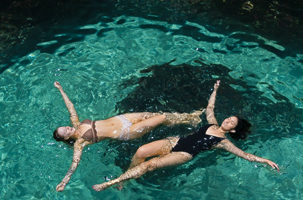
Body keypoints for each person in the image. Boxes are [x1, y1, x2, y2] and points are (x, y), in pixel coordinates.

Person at [92, 80, 279, 191]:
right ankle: (129, 176)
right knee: (141, 151)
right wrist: (215, 91)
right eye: (229, 118)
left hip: (184, 154)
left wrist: (265, 160)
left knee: (150, 164)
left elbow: (244, 155)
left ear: (232, 130)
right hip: (175, 141)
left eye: (231, 123)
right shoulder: (212, 123)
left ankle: (116, 182)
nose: (227, 121)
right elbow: (210, 108)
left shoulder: (223, 142)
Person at [52, 81, 202, 191]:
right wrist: (65, 181)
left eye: (65, 127)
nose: (67, 128)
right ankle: (187, 119)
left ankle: (188, 118)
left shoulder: (76, 123)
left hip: (122, 119)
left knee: (154, 115)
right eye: (65, 131)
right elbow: (75, 163)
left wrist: (61, 89)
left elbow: (70, 107)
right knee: (161, 118)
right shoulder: (80, 143)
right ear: (66, 138)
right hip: (126, 132)